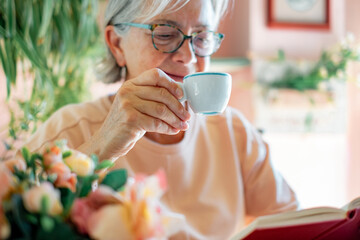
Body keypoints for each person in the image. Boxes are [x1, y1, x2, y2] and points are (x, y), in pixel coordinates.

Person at [23, 0, 298, 239]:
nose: (188, 56)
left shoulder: (234, 133)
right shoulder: (69, 130)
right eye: (165, 34)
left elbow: (295, 226)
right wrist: (104, 142)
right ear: (117, 44)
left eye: (201, 38)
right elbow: (19, 221)